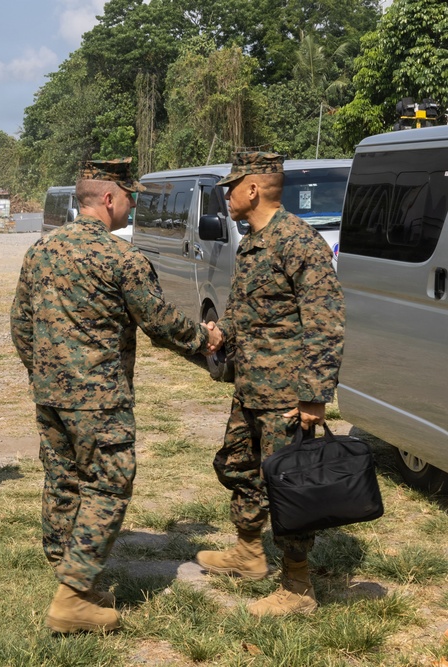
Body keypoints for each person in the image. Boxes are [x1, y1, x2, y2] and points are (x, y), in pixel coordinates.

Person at [11, 159, 222, 634]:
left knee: (63, 481)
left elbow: (20, 325)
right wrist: (205, 339)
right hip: (99, 399)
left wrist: (44, 374)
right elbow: (160, 321)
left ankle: (68, 575)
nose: (133, 205)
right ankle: (73, 595)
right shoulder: (120, 259)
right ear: (108, 199)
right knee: (109, 484)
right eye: (130, 196)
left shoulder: (40, 251)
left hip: (50, 394)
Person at [197, 151, 345, 616]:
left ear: (253, 189)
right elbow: (246, 308)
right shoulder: (252, 244)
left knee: (289, 486)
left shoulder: (300, 243)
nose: (226, 196)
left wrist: (314, 397)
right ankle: (247, 553)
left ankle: (298, 588)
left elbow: (326, 322)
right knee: (237, 466)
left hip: (286, 395)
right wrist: (222, 332)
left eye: (231, 187)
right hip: (251, 388)